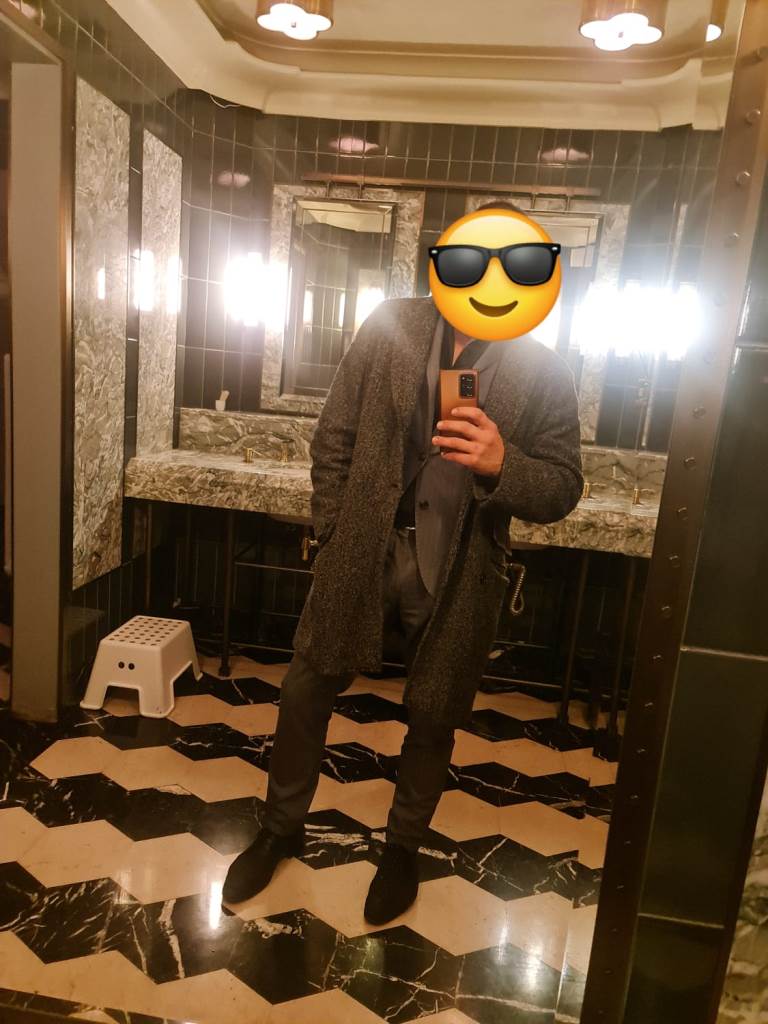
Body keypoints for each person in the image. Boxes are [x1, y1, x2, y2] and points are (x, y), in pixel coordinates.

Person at [222, 201, 583, 924]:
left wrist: (502, 463)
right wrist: (332, 533)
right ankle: (280, 828)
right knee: (304, 688)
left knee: (434, 712)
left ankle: (402, 849)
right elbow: (334, 435)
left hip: (458, 566)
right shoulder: (390, 324)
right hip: (362, 548)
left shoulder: (543, 369)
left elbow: (564, 486)